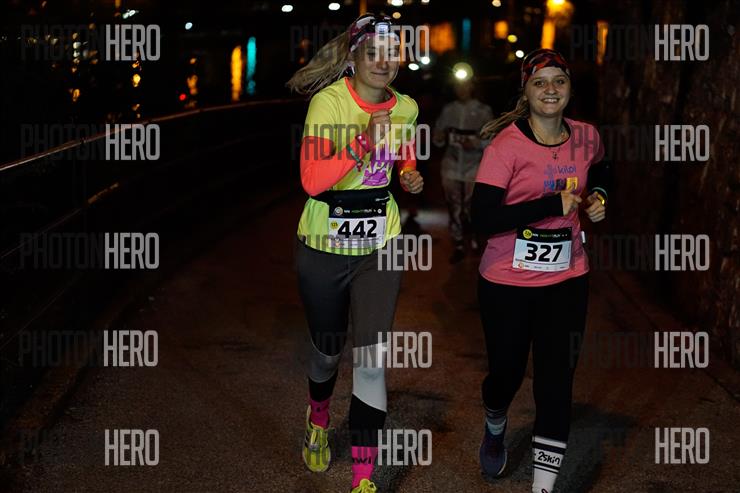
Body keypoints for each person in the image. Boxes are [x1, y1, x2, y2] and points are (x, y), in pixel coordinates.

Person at [286, 13, 424, 493]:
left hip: (379, 245)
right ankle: (318, 416)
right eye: (373, 53)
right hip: (323, 245)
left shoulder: (406, 108)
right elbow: (312, 181)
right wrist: (365, 139)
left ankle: (363, 480)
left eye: (392, 53)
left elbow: (402, 149)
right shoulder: (328, 103)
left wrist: (407, 172)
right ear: (354, 57)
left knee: (371, 360)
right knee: (327, 354)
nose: (383, 63)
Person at [471, 49, 611, 493]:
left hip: (567, 279)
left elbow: (603, 170)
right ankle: (495, 421)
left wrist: (599, 197)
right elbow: (482, 218)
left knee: (555, 382)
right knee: (506, 375)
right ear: (526, 91)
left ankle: (543, 487)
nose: (551, 90)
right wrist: (551, 204)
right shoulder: (506, 146)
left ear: (570, 88)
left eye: (559, 81)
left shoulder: (586, 136)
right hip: (506, 283)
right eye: (540, 82)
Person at [433, 78, 493, 263]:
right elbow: (438, 136)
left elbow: (492, 139)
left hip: (474, 165)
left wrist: (476, 143)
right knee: (454, 205)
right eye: (458, 85)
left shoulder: (483, 111)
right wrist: (439, 137)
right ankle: (458, 243)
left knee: (470, 205)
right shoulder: (448, 110)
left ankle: (474, 239)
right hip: (451, 164)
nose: (462, 89)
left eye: (466, 85)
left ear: (472, 86)